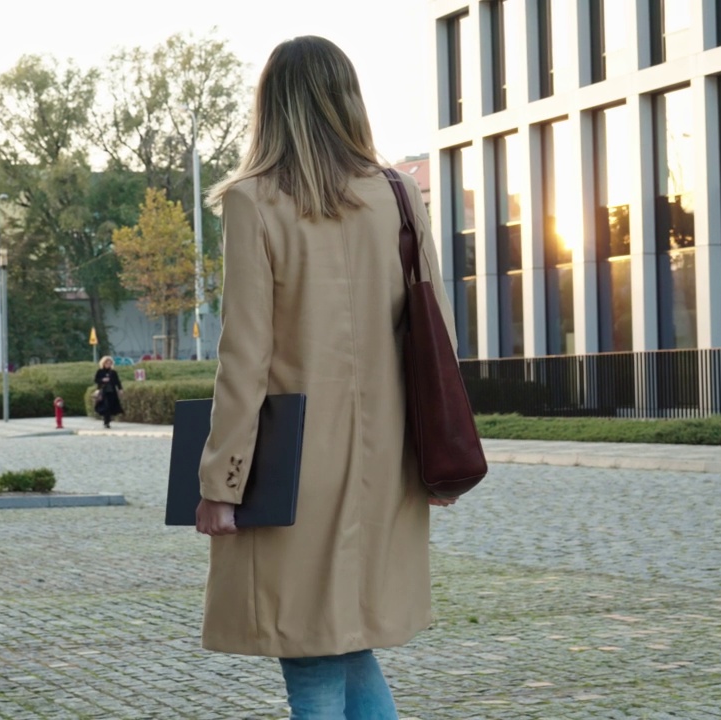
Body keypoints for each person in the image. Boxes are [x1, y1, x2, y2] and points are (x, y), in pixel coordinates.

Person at [194, 36, 459, 719]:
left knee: (311, 655)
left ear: (271, 106)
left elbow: (244, 354)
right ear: (347, 99)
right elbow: (435, 338)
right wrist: (436, 459)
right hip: (385, 459)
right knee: (342, 640)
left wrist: (221, 483)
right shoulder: (399, 194)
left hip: (292, 464)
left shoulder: (255, 201)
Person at [92, 356, 123, 429]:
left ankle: (108, 420)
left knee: (111, 406)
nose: (108, 364)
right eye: (107, 363)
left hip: (112, 391)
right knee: (105, 406)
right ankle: (106, 422)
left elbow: (117, 381)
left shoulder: (113, 372)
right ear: (103, 363)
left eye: (110, 363)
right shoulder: (100, 371)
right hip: (103, 391)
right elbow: (96, 380)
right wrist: (102, 380)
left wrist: (120, 389)